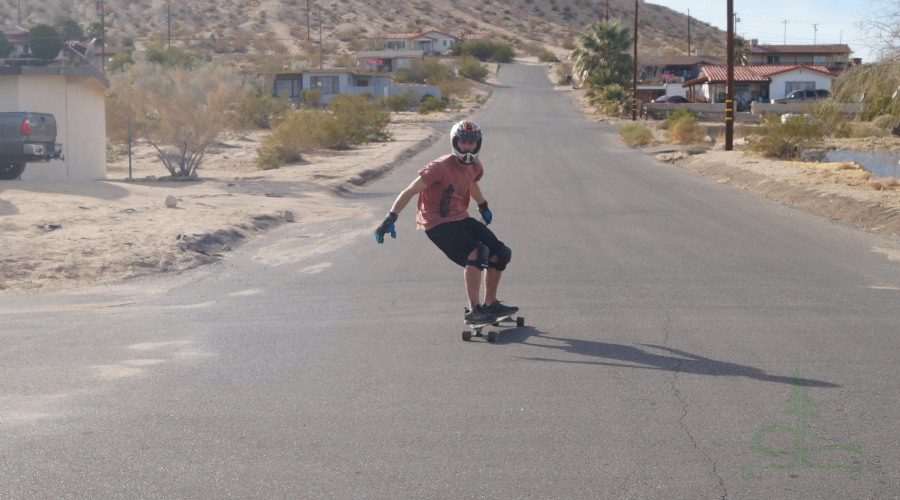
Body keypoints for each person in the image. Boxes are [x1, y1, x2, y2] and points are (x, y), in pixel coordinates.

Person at [374, 120, 517, 326]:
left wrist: (483, 206)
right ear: (454, 143)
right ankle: (474, 310)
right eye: (463, 143)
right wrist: (390, 217)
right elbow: (410, 190)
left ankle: (490, 303)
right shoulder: (439, 167)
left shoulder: (475, 166)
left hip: (459, 216)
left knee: (500, 252)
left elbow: (471, 185)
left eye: (472, 143)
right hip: (435, 222)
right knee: (476, 252)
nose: (467, 147)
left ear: (478, 144)